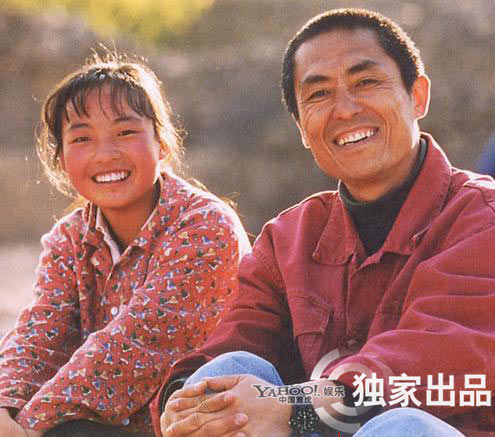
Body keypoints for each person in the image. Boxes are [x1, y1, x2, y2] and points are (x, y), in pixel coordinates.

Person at [152, 8, 495, 437]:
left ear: (418, 96)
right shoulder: (287, 239)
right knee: (224, 373)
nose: (345, 110)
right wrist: (184, 403)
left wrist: (292, 408)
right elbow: (237, 338)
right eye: (318, 94)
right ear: (300, 127)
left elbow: (432, 364)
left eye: (365, 82)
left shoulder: (482, 218)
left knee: (404, 426)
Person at [0, 52, 250, 436]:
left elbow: (134, 349)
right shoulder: (70, 238)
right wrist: (5, 406)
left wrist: (28, 426)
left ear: (162, 144)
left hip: (201, 422)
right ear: (61, 159)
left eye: (125, 133)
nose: (106, 154)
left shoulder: (205, 228)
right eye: (82, 138)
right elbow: (40, 336)